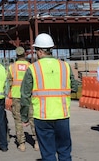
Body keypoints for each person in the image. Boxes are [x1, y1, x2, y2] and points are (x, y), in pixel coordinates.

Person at [21, 33, 78, 161]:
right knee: (64, 151)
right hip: (62, 115)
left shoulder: (33, 69)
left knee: (47, 153)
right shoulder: (65, 66)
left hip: (42, 117)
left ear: (40, 51)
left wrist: (24, 117)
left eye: (36, 50)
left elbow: (25, 95)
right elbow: (74, 87)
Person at [7, 46, 39, 151]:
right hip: (29, 96)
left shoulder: (11, 67)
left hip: (16, 96)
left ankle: (22, 144)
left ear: (16, 55)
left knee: (18, 120)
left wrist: (8, 96)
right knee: (32, 119)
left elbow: (9, 83)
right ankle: (37, 142)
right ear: (24, 54)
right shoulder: (31, 66)